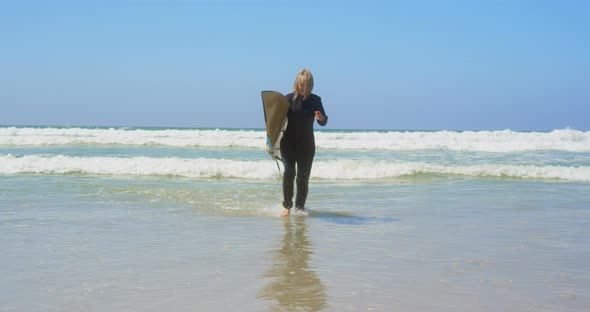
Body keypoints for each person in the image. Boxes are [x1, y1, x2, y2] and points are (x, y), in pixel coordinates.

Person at [280, 69, 328, 217]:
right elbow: (276, 122)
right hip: (288, 143)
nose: (304, 88)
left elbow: (324, 121)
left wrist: (321, 118)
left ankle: (300, 208)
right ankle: (287, 207)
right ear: (297, 83)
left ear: (311, 84)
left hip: (306, 145)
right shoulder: (288, 99)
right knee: (289, 173)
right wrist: (271, 142)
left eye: (307, 85)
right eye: (301, 84)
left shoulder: (315, 100)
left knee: (303, 177)